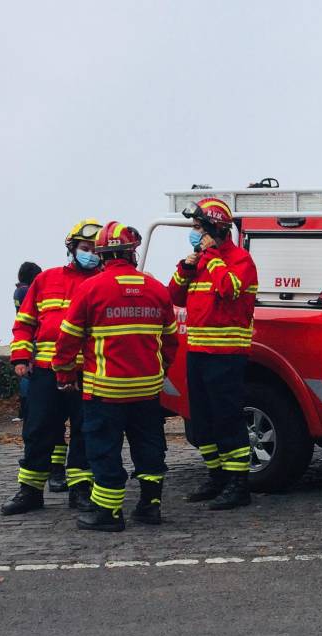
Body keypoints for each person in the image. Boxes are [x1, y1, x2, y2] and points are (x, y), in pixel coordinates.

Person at [52, 221, 178, 532]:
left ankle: (108, 513)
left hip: (105, 391)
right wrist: (160, 368)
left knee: (104, 450)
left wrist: (65, 373)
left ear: (102, 254)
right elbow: (171, 340)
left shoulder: (90, 288)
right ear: (132, 253)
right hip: (147, 390)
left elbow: (67, 339)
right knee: (149, 447)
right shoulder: (155, 288)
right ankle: (150, 506)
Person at [2, 220, 102, 515]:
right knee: (38, 429)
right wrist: (21, 357)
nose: (90, 254)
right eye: (85, 248)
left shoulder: (104, 283)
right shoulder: (46, 280)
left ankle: (81, 490)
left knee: (86, 431)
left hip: (88, 372)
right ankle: (30, 491)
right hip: (46, 372)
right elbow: (24, 323)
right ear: (72, 248)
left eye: (95, 249)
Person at [169, 197, 258, 510]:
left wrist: (212, 256)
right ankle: (216, 476)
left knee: (227, 419)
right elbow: (174, 296)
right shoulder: (200, 260)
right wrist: (185, 267)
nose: (194, 233)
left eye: (199, 228)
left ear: (216, 229)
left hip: (226, 355)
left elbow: (229, 290)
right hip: (197, 353)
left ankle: (238, 484)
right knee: (202, 420)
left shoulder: (240, 260)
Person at [14, 261, 41, 423]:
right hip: (32, 336)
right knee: (28, 374)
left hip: (26, 336)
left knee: (25, 374)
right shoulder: (27, 291)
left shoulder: (18, 291)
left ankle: (24, 409)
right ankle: (26, 409)